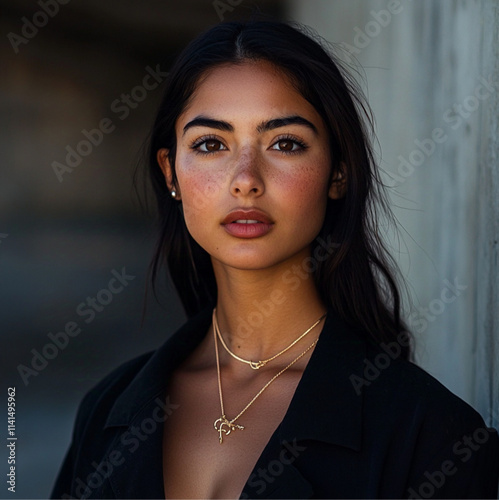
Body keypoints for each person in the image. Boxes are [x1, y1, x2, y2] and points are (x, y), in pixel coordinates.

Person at [51, 19, 499, 499]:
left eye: (285, 143)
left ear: (338, 172)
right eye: (211, 144)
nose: (245, 179)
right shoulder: (105, 414)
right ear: (171, 173)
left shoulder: (431, 436)